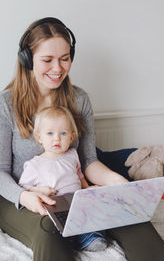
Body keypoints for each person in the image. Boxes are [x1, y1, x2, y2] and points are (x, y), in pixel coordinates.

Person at [0, 17, 164, 261]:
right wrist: (25, 196)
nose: (58, 68)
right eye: (47, 60)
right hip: (21, 198)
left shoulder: (80, 100)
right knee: (48, 228)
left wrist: (117, 183)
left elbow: (89, 161)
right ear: (27, 60)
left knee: (130, 213)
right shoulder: (3, 105)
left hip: (75, 195)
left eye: (65, 58)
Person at [18, 106, 107, 252]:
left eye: (63, 133)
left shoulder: (72, 155)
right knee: (56, 226)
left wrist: (86, 187)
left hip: (77, 201)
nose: (57, 139)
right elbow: (23, 187)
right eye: (50, 133)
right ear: (39, 138)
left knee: (93, 212)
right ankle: (68, 240)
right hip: (55, 205)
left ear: (71, 137)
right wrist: (38, 190)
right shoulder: (34, 164)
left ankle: (91, 238)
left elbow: (78, 174)